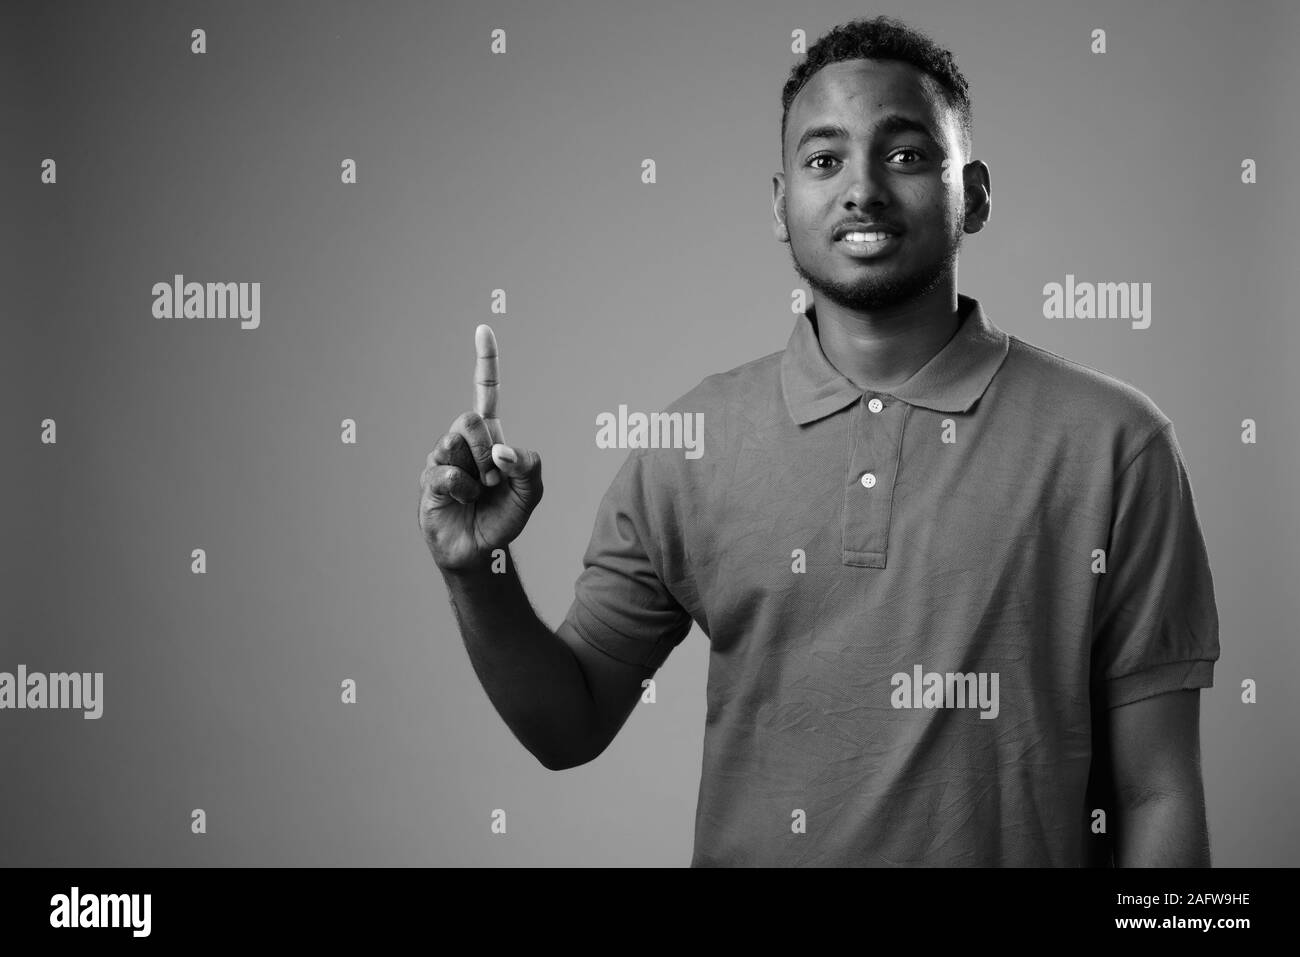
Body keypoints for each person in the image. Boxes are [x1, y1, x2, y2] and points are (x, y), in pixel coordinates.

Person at [418, 15, 1219, 867]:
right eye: (824, 159)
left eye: (907, 155)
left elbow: (1157, 792)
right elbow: (567, 724)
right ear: (780, 203)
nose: (862, 189)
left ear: (974, 194)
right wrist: (478, 571)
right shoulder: (691, 442)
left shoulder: (1114, 442)